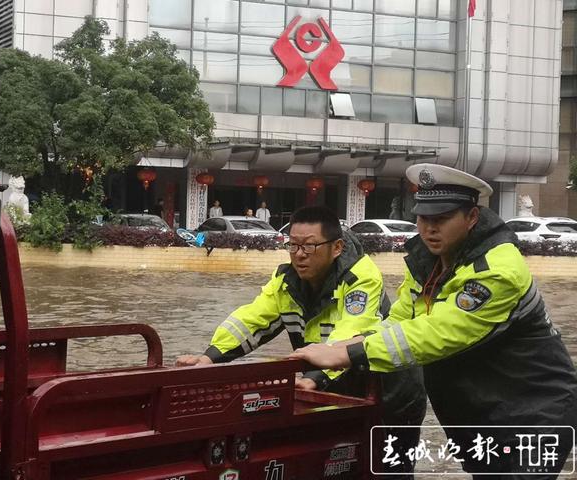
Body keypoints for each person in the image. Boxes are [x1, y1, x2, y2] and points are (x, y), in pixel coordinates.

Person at [290, 164, 577, 478]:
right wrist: (323, 370)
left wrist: (345, 353)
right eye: (423, 218)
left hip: (533, 413)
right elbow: (397, 322)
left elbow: (438, 333)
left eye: (442, 219)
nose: (429, 229)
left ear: (472, 217)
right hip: (480, 410)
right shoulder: (429, 264)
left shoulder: (496, 270)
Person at [177, 205, 426, 478]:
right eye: (293, 245)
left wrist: (314, 377)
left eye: (310, 246)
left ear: (337, 247)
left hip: (389, 394)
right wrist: (209, 357)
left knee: (387, 471)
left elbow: (350, 333)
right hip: (330, 389)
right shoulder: (286, 281)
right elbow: (252, 320)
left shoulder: (360, 277)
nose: (299, 255)